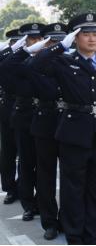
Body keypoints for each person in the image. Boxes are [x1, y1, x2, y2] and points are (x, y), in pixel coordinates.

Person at [30, 13, 96, 244]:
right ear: (75, 38)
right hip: (73, 135)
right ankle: (75, 235)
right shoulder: (64, 62)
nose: (92, 39)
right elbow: (35, 65)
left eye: (95, 34)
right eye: (85, 34)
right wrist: (61, 45)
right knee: (73, 190)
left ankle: (95, 237)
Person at [25, 23, 67, 240]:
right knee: (46, 176)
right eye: (52, 41)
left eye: (61, 41)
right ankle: (50, 221)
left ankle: (68, 219)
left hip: (69, 124)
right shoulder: (36, 63)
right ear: (45, 42)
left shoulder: (71, 61)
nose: (58, 45)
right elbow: (27, 67)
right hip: (46, 124)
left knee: (71, 177)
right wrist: (48, 48)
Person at [0, 23, 45, 222]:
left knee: (43, 163)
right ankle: (19, 195)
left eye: (38, 39)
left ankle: (42, 201)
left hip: (44, 115)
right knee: (17, 156)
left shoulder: (47, 57)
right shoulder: (15, 59)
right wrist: (18, 50)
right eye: (30, 39)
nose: (35, 42)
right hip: (18, 111)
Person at [0, 29, 24, 205]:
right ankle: (9, 188)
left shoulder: (29, 58)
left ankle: (23, 187)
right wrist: (12, 49)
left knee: (25, 153)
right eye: (15, 43)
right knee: (8, 152)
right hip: (7, 109)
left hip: (24, 108)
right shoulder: (5, 58)